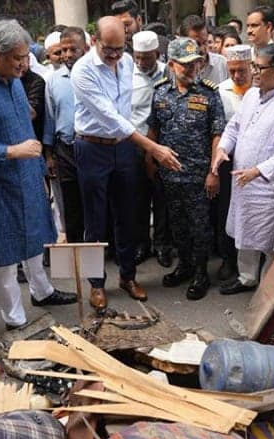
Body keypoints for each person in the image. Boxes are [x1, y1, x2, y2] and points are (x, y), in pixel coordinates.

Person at [0, 20, 77, 330]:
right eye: (17, 58)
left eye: (25, 56)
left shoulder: (14, 80)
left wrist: (35, 168)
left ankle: (42, 292)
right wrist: (9, 152)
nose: (25, 63)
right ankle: (14, 319)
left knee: (34, 239)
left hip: (26, 179)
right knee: (3, 255)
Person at [70, 17, 182, 309]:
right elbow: (111, 117)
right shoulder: (83, 71)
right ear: (95, 41)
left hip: (123, 150)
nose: (116, 56)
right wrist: (153, 147)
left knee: (128, 216)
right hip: (92, 147)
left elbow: (127, 111)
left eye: (121, 49)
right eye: (110, 50)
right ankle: (96, 284)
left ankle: (128, 276)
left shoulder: (128, 62)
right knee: (94, 220)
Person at [212, 44, 274, 294]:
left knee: (269, 239)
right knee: (244, 231)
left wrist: (258, 171)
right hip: (243, 179)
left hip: (268, 185)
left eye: (259, 68)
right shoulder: (252, 94)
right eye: (255, 67)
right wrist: (223, 149)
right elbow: (234, 127)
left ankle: (268, 290)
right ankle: (247, 277)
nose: (255, 72)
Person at [147, 38, 226, 300]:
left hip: (199, 175)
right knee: (177, 224)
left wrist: (213, 172)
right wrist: (150, 161)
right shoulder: (160, 93)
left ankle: (201, 272)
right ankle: (185, 265)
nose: (193, 70)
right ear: (171, 65)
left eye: (196, 64)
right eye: (186, 65)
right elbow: (153, 131)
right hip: (169, 175)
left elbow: (217, 135)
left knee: (200, 226)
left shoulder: (209, 93)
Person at [129, 30, 173, 267]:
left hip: (162, 145)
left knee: (162, 198)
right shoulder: (126, 75)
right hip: (135, 144)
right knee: (138, 199)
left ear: (157, 53)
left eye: (147, 57)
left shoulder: (169, 73)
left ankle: (163, 246)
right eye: (138, 57)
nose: (142, 62)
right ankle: (142, 244)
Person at [44, 27, 89, 246]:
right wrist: (49, 154)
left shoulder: (96, 74)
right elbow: (50, 119)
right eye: (64, 50)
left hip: (92, 147)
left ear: (85, 48)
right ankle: (75, 245)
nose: (68, 55)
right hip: (65, 149)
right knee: (70, 201)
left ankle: (101, 245)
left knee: (95, 198)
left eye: (73, 49)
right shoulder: (53, 80)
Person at [216, 44, 253, 281]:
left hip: (254, 162)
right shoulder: (220, 90)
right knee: (225, 210)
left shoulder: (262, 91)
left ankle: (251, 264)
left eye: (242, 70)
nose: (237, 76)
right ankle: (228, 259)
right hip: (228, 161)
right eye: (232, 71)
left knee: (252, 211)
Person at [179, 15, 229, 84]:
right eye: (197, 44)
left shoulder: (222, 64)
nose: (202, 49)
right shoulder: (175, 67)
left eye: (205, 42)